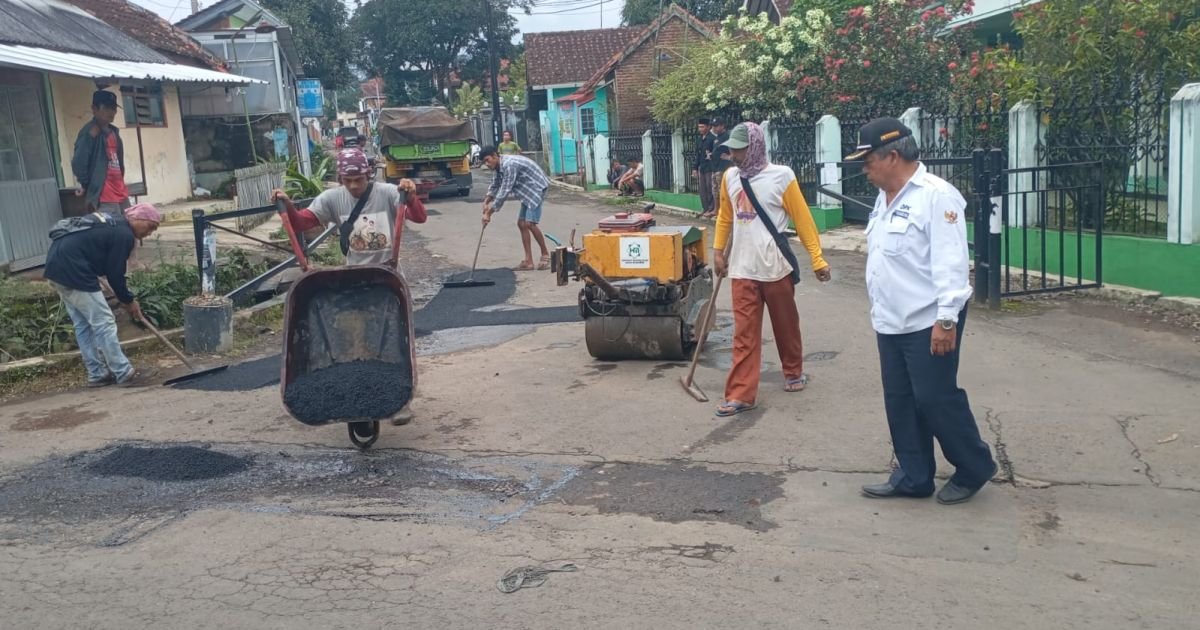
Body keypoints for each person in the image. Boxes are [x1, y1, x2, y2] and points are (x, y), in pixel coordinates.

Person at [846, 118, 997, 505]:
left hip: (930, 319)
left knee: (934, 397)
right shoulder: (885, 198)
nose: (864, 169)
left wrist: (946, 319)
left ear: (892, 156)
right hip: (891, 318)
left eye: (868, 161)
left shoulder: (936, 196)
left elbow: (950, 262)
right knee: (899, 398)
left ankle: (974, 465)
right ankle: (913, 475)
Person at [273, 148, 428, 427]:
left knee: (395, 335)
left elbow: (418, 217)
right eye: (348, 181)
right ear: (341, 179)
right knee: (355, 334)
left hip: (387, 277)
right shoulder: (333, 198)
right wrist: (288, 205)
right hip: (354, 276)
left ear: (369, 174)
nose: (354, 186)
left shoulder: (388, 193)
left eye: (359, 179)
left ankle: (401, 400)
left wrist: (412, 196)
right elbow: (304, 222)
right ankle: (357, 386)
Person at [712, 123, 831, 417]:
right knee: (744, 334)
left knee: (785, 323)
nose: (734, 154)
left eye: (740, 148)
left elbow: (803, 220)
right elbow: (725, 216)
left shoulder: (782, 177)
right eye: (732, 149)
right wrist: (717, 250)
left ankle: (793, 370)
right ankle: (741, 394)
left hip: (775, 266)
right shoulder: (730, 178)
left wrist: (817, 259)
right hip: (741, 267)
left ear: (754, 146)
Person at [44, 204, 162, 387]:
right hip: (74, 271)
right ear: (138, 218)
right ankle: (124, 372)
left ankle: (97, 374)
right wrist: (129, 300)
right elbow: (116, 275)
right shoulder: (123, 235)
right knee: (104, 321)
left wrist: (125, 297)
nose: (150, 233)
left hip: (56, 268)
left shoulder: (112, 223)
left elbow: (100, 257)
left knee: (83, 325)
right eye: (150, 226)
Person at [480, 146, 552, 271]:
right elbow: (495, 184)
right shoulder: (498, 167)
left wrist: (490, 213)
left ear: (495, 155)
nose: (487, 164)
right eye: (484, 162)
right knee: (521, 224)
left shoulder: (509, 165)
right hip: (526, 190)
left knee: (530, 223)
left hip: (536, 187)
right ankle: (528, 261)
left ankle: (546, 255)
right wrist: (486, 201)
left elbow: (505, 190)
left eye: (487, 160)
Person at [72, 90, 128, 213]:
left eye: (113, 108)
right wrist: (87, 185)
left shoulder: (114, 132)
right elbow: (78, 163)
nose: (111, 112)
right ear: (94, 108)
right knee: (109, 230)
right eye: (107, 107)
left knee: (129, 229)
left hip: (121, 194)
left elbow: (119, 163)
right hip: (104, 197)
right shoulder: (89, 133)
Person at [707, 119, 732, 219]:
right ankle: (716, 210)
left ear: (722, 125)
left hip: (723, 167)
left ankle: (724, 211)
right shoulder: (717, 138)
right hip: (715, 166)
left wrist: (729, 156)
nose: (714, 128)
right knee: (715, 190)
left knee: (722, 190)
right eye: (713, 126)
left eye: (716, 126)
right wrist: (711, 155)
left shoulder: (727, 136)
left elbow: (732, 149)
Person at [693, 118, 718, 218]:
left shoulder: (712, 139)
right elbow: (697, 155)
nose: (700, 129)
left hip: (710, 167)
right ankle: (705, 208)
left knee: (710, 188)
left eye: (702, 127)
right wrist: (695, 168)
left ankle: (711, 209)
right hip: (702, 167)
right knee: (702, 189)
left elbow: (714, 154)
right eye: (699, 127)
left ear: (708, 127)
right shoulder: (699, 140)